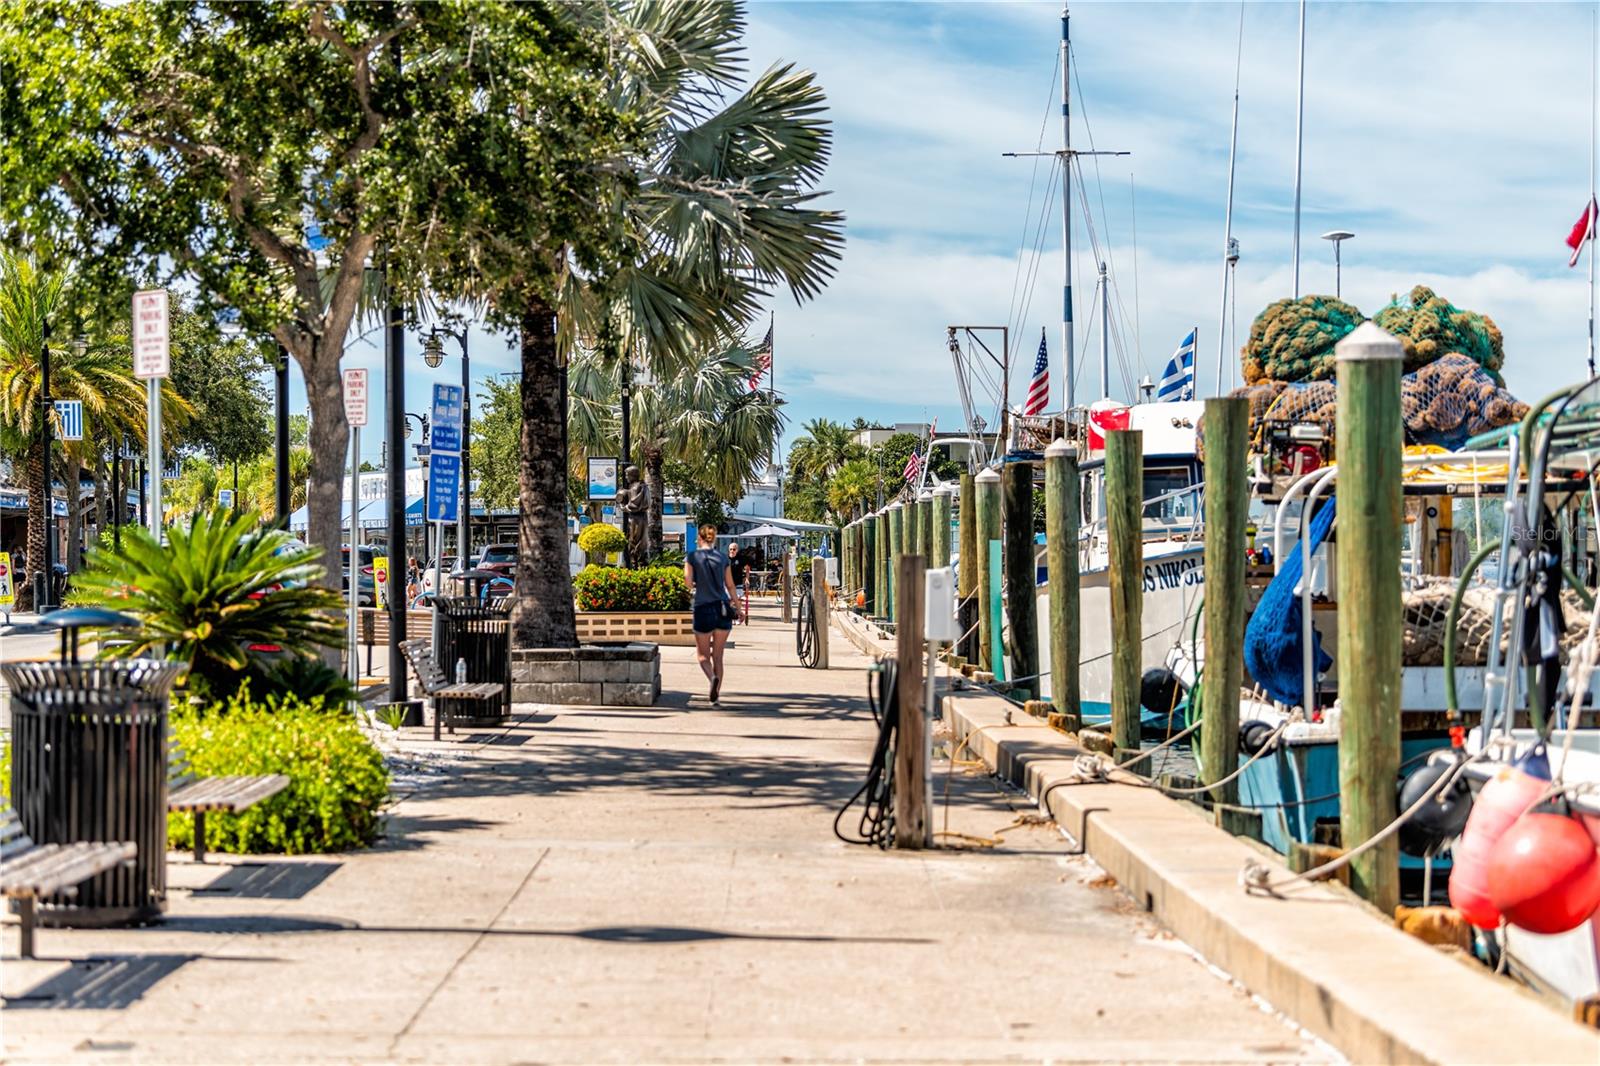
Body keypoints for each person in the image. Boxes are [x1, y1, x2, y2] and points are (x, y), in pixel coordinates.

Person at [684, 524, 735, 704]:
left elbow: (688, 582)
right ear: (714, 538)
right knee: (718, 656)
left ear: (699, 538)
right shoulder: (722, 558)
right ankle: (716, 696)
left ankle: (711, 678)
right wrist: (738, 607)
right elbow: (729, 585)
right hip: (722, 608)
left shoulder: (692, 557)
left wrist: (697, 583)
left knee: (703, 655)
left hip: (703, 607)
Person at [727, 542, 750, 624]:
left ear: (737, 550)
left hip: (738, 583)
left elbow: (747, 568)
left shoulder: (741, 559)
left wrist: (747, 579)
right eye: (731, 549)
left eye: (734, 549)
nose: (732, 551)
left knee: (738, 601)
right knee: (728, 601)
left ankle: (737, 617)